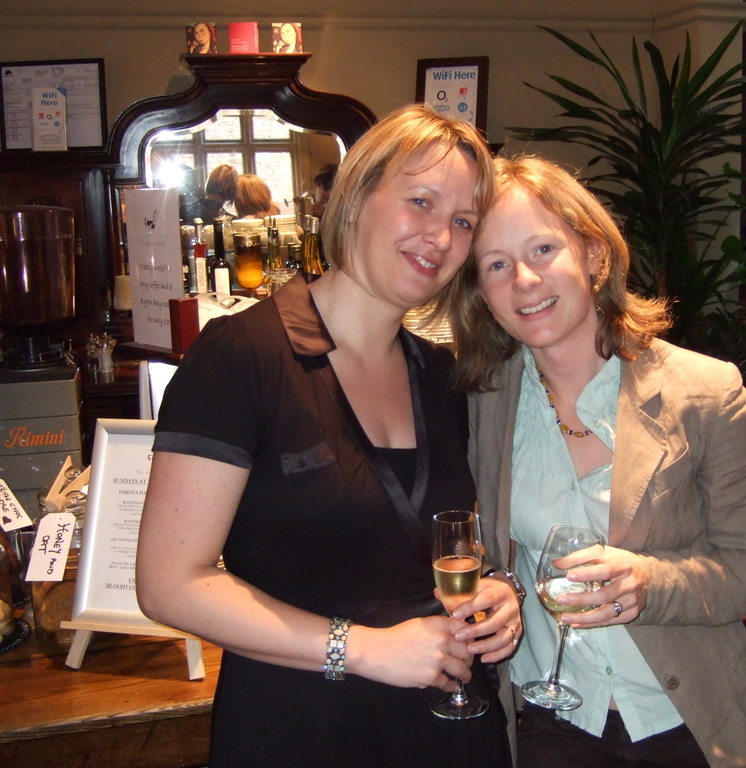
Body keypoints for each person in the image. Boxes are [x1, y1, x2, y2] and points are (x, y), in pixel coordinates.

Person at [135, 105, 518, 768]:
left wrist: (496, 589)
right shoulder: (243, 356)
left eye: (463, 221)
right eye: (421, 201)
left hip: (443, 726)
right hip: (301, 725)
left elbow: (411, 545)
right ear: (358, 195)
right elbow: (168, 583)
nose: (440, 237)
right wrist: (362, 648)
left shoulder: (441, 376)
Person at [444, 155, 746, 768]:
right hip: (550, 723)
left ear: (593, 254)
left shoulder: (705, 393)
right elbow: (492, 551)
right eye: (496, 264)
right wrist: (500, 585)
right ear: (481, 291)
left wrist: (649, 585)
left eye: (543, 249)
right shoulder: (483, 402)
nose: (524, 279)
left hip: (689, 722)